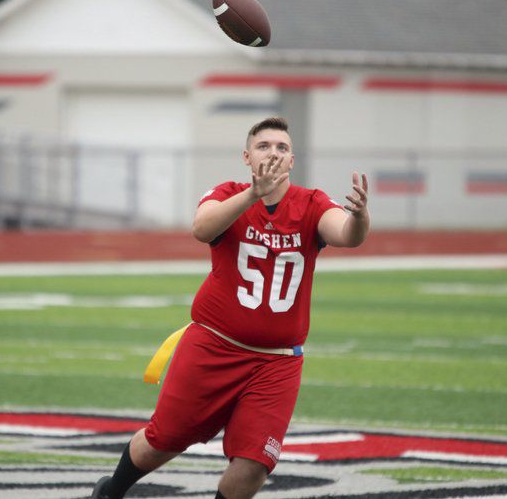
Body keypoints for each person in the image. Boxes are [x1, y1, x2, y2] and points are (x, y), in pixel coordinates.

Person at [92, 116, 370, 499]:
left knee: (255, 462)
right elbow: (202, 228)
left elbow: (346, 235)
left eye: (282, 148)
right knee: (164, 439)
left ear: (292, 161)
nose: (273, 152)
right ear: (246, 156)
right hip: (213, 345)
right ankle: (111, 491)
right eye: (264, 146)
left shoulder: (311, 203)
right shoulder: (227, 193)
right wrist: (252, 195)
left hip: (276, 361)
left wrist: (359, 217)